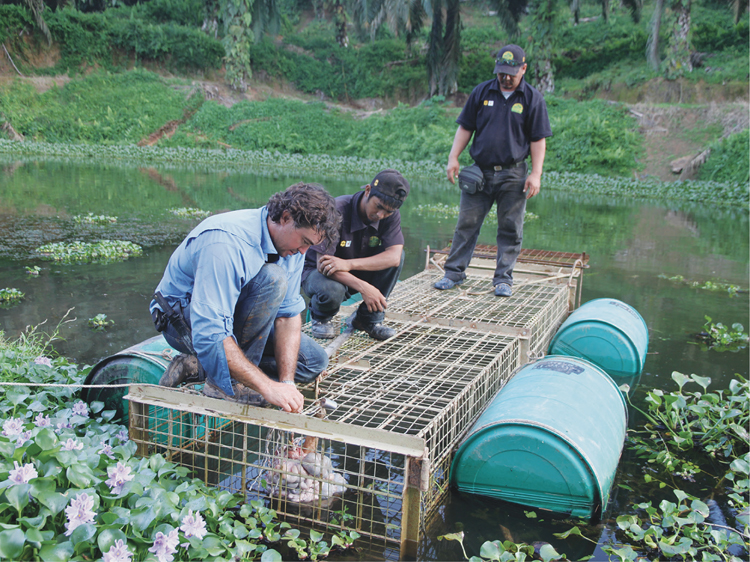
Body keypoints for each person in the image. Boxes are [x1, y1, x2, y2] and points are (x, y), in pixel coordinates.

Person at [150, 182, 341, 413]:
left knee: (313, 362)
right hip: (184, 323)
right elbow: (210, 332)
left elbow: (288, 315)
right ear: (285, 217)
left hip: (233, 317)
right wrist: (266, 386)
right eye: (304, 242)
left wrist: (286, 383)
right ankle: (225, 385)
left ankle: (199, 366)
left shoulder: (291, 246)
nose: (304, 252)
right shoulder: (225, 243)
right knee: (272, 278)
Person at [434, 44, 552, 297]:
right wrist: (453, 157)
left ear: (523, 68)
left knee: (510, 227)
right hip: (480, 172)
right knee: (466, 222)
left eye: (511, 72)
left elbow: (538, 139)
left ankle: (503, 279)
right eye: (501, 72)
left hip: (513, 174)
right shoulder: (482, 92)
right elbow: (465, 127)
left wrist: (536, 173)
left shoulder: (532, 99)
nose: (506, 77)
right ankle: (453, 273)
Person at [301, 169, 410, 341]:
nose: (380, 215)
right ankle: (321, 317)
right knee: (332, 290)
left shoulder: (390, 215)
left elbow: (394, 256)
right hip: (320, 273)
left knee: (398, 257)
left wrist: (350, 265)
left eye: (387, 212)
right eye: (378, 207)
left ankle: (367, 320)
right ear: (367, 191)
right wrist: (365, 288)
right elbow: (322, 263)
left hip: (351, 268)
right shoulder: (336, 211)